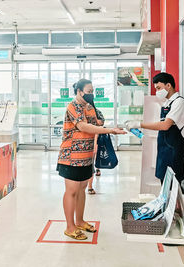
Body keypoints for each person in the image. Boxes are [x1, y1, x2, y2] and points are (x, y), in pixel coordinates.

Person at [57, 79, 126, 240]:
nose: (91, 94)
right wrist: (109, 130)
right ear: (79, 92)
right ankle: (70, 227)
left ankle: (80, 221)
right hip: (71, 156)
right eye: (88, 91)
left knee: (81, 189)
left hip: (86, 155)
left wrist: (111, 126)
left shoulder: (89, 107)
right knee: (72, 191)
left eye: (92, 91)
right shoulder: (72, 106)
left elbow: (97, 124)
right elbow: (83, 127)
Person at [125, 72, 184, 183]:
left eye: (159, 88)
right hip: (164, 150)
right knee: (163, 183)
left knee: (172, 186)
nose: (157, 91)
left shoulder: (179, 102)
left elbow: (165, 125)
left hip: (173, 151)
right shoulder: (167, 103)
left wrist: (140, 124)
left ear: (168, 85)